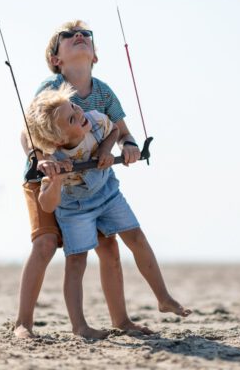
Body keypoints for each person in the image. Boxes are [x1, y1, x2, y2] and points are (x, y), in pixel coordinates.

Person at [25, 82, 191, 337]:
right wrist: (56, 180)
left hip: (107, 193)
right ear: (58, 139)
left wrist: (105, 148)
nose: (79, 114)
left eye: (74, 107)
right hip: (74, 207)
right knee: (77, 260)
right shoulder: (52, 156)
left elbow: (113, 130)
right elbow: (48, 204)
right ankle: (80, 326)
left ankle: (163, 297)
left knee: (136, 238)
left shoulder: (95, 120)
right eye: (72, 117)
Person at [15, 20, 147, 339]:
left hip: (91, 186)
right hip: (46, 181)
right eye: (68, 36)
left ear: (94, 55)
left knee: (109, 247)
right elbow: (26, 132)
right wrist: (41, 158)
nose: (79, 36)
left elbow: (123, 134)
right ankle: (23, 323)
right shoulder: (51, 89)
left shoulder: (103, 92)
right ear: (56, 59)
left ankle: (122, 320)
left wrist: (128, 147)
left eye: (86, 35)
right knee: (45, 244)